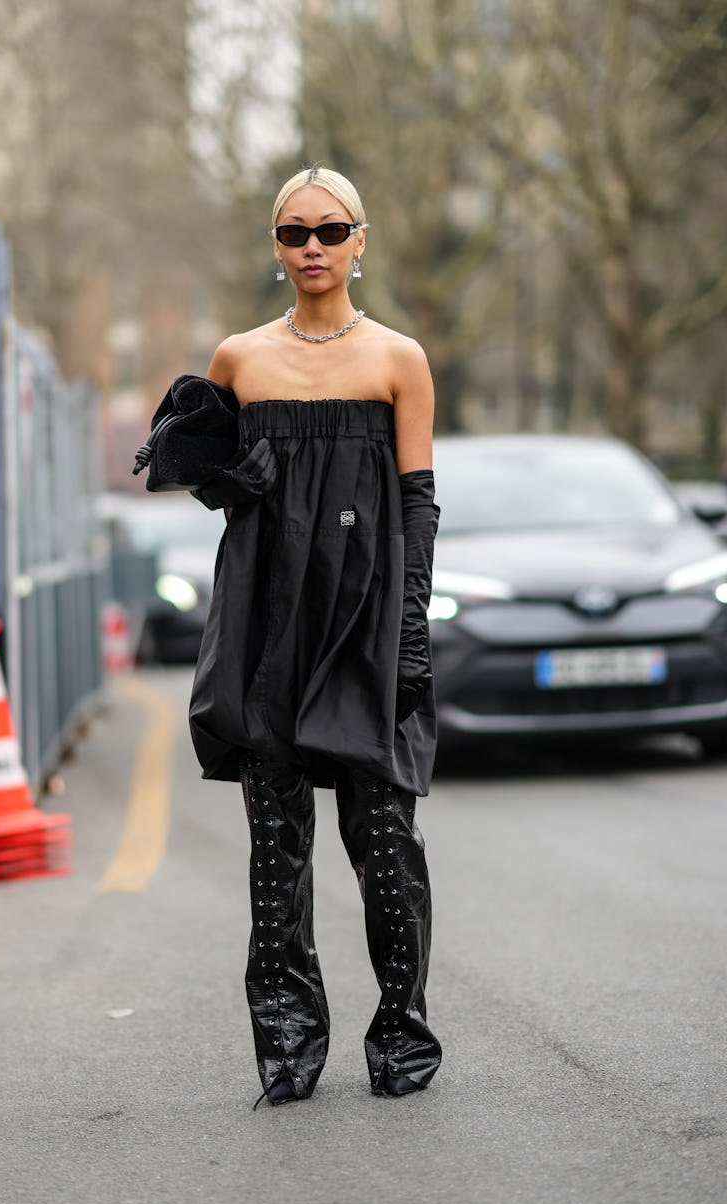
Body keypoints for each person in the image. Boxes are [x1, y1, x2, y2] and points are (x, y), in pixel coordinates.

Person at [187, 166, 442, 1107]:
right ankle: (287, 1040)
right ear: (276, 245)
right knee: (275, 846)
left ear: (360, 242)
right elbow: (209, 481)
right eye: (295, 232)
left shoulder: (398, 359)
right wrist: (217, 475)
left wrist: (410, 632)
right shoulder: (238, 360)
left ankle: (402, 1027)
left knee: (384, 841)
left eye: (331, 231)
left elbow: (417, 505)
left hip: (367, 617)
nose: (313, 248)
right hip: (265, 617)